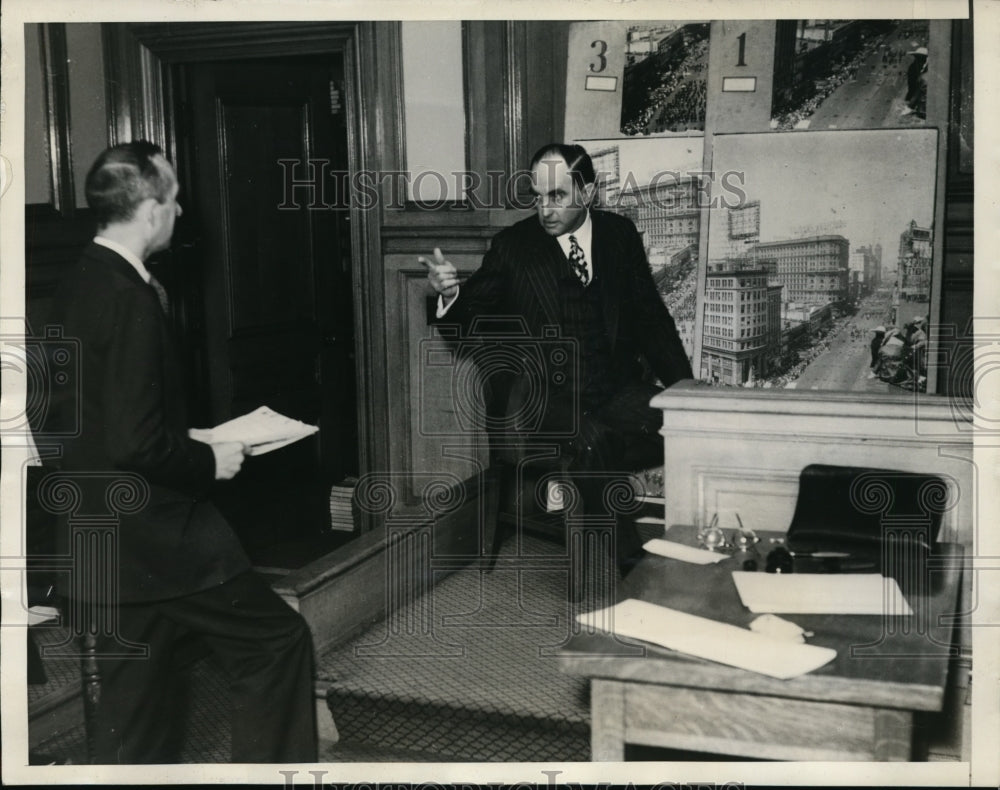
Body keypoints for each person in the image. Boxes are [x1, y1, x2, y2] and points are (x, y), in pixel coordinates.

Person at [46, 141, 317, 763]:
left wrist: (185, 435)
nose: (180, 212)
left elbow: (86, 417)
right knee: (277, 644)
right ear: (150, 210)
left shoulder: (79, 281)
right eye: (174, 200)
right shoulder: (132, 299)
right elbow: (135, 440)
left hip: (98, 537)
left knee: (130, 718)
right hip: (161, 540)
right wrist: (207, 460)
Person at [421, 143, 693, 581]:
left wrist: (687, 391)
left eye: (557, 196)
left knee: (686, 429)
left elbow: (651, 320)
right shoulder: (513, 247)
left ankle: (582, 486)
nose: (544, 210)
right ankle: (632, 566)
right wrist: (449, 295)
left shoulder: (619, 236)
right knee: (593, 440)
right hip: (542, 400)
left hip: (616, 388)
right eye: (537, 196)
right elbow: (466, 321)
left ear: (587, 192)